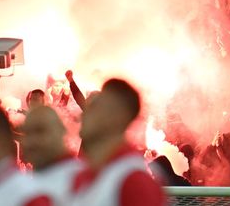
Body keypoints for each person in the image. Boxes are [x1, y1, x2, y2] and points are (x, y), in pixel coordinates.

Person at [65, 78, 165, 206]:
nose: (83, 115)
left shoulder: (134, 179)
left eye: (93, 108)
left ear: (117, 117)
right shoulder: (84, 175)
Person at [21, 105, 83, 201]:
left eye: (40, 131)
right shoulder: (25, 185)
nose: (32, 140)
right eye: (27, 133)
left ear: (61, 130)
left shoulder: (81, 180)